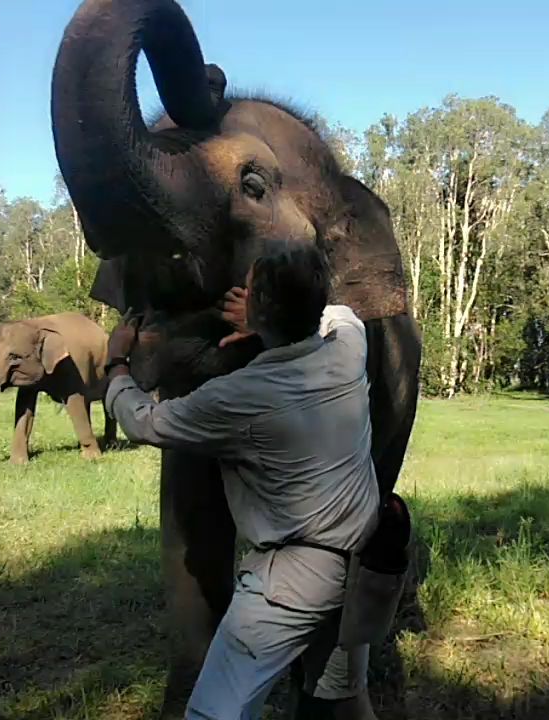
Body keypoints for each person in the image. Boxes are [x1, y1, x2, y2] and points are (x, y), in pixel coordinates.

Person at [104, 242, 380, 720]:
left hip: (291, 583)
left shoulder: (240, 396)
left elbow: (144, 422)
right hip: (366, 567)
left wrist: (117, 366)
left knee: (213, 714)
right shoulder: (348, 352)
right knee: (346, 703)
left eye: (247, 291)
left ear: (258, 309)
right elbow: (344, 314)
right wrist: (266, 321)